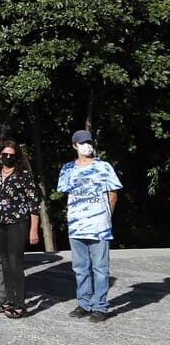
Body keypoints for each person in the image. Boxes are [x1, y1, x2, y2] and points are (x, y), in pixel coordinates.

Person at [58, 129, 122, 322]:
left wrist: (106, 216)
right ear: (74, 145)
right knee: (80, 268)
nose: (87, 145)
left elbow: (113, 193)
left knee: (100, 268)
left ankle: (100, 306)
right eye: (83, 142)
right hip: (77, 226)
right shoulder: (67, 168)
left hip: (99, 225)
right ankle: (84, 303)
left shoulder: (104, 167)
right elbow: (65, 193)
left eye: (89, 142)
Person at [0, 141, 41, 318]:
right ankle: (8, 299)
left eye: (11, 155)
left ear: (17, 157)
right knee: (4, 262)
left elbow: (34, 203)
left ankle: (20, 303)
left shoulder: (24, 175)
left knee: (15, 262)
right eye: (4, 154)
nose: (8, 158)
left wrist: (34, 229)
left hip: (17, 223)